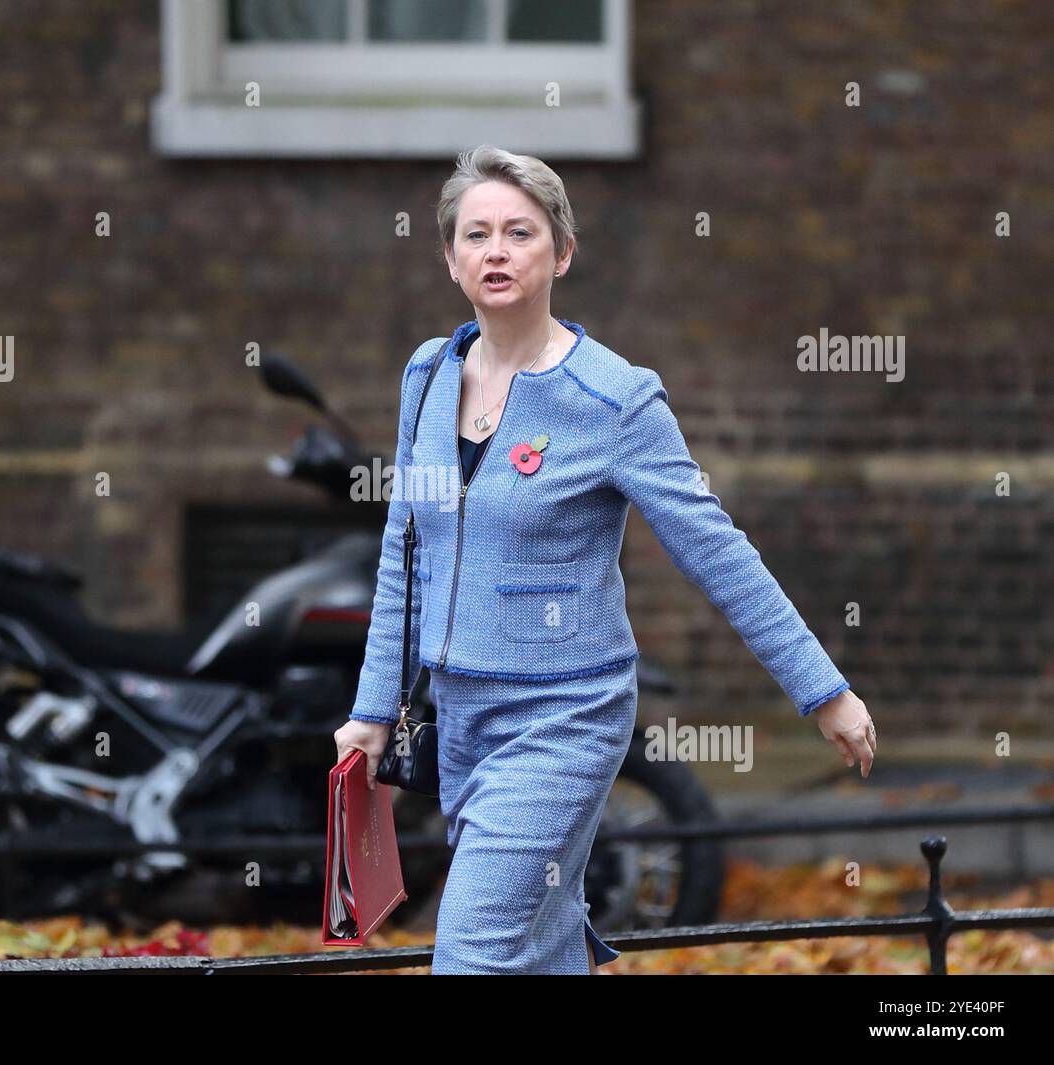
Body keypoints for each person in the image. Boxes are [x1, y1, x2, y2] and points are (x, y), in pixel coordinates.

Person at [333, 144, 876, 975]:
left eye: (520, 232)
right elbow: (402, 553)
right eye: (476, 234)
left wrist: (823, 689)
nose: (498, 250)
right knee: (543, 949)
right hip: (458, 716)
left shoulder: (615, 399)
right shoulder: (428, 377)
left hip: (565, 715)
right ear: (450, 258)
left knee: (472, 948)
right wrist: (374, 710)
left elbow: (715, 550)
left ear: (563, 251)